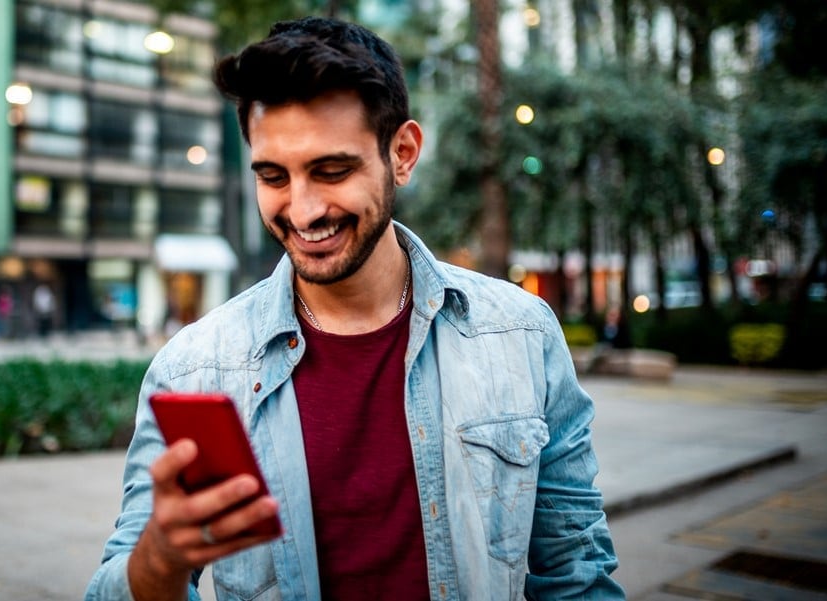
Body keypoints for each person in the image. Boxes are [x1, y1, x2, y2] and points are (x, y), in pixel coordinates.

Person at [86, 16, 624, 600]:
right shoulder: (193, 369)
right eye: (273, 176)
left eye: (332, 170)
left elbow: (577, 575)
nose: (303, 209)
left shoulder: (520, 334)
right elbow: (112, 586)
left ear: (402, 153)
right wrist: (159, 561)